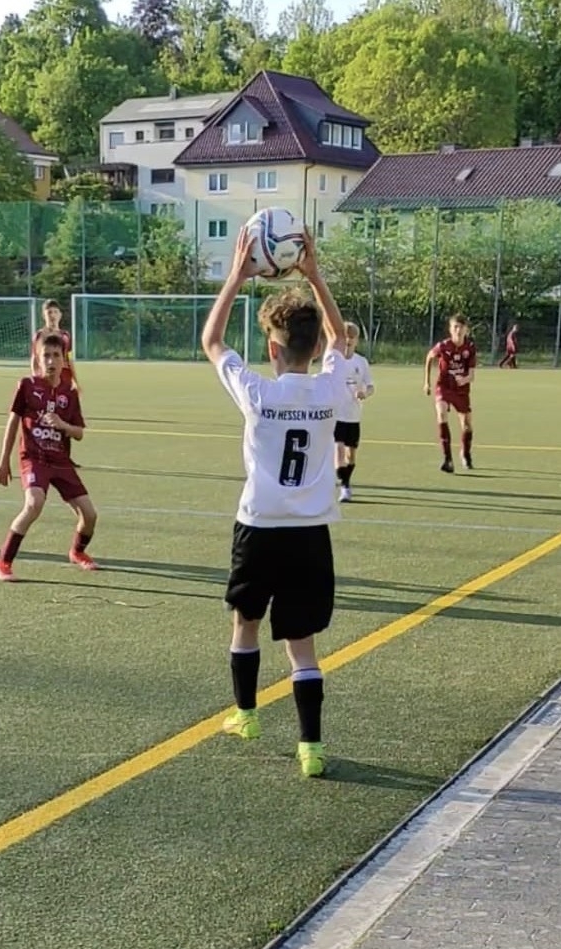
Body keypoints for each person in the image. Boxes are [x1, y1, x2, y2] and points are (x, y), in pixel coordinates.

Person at [200, 228, 350, 779]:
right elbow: (340, 339)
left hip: (259, 528)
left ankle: (245, 715)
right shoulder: (331, 389)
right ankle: (311, 748)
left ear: (271, 348)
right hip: (310, 534)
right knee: (302, 646)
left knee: (246, 624)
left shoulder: (258, 394)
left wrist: (236, 276)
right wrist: (315, 275)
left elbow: (212, 340)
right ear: (315, 348)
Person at [0, 330, 98, 581]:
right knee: (34, 503)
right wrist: (4, 460)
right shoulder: (27, 386)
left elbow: (79, 433)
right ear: (37, 359)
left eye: (56, 355)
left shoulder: (69, 393)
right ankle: (2, 563)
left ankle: (77, 552)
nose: (51, 361)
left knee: (90, 515)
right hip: (34, 458)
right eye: (45, 355)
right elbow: (13, 423)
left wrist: (63, 425)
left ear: (64, 360)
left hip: (60, 461)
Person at [424, 313, 476, 473]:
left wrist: (464, 379)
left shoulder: (470, 348)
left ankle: (465, 453)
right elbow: (429, 357)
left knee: (467, 425)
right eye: (455, 327)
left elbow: (472, 375)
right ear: (450, 329)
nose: (458, 330)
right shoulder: (443, 346)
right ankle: (447, 459)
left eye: (461, 327)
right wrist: (427, 382)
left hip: (461, 390)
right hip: (444, 387)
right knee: (441, 414)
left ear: (466, 330)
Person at [334, 321, 375, 503]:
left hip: (353, 416)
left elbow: (371, 386)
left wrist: (365, 393)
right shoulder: (334, 360)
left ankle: (346, 481)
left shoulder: (361, 362)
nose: (348, 341)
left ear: (357, 340)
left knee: (350, 455)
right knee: (338, 450)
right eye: (345, 337)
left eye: (352, 337)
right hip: (336, 415)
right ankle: (344, 486)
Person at [32, 299, 79, 392]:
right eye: (49, 312)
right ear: (44, 315)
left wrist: (75, 380)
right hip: (45, 377)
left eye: (55, 312)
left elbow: (69, 359)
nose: (52, 315)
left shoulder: (66, 336)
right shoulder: (39, 336)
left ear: (60, 315)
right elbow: (35, 359)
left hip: (64, 378)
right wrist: (35, 378)